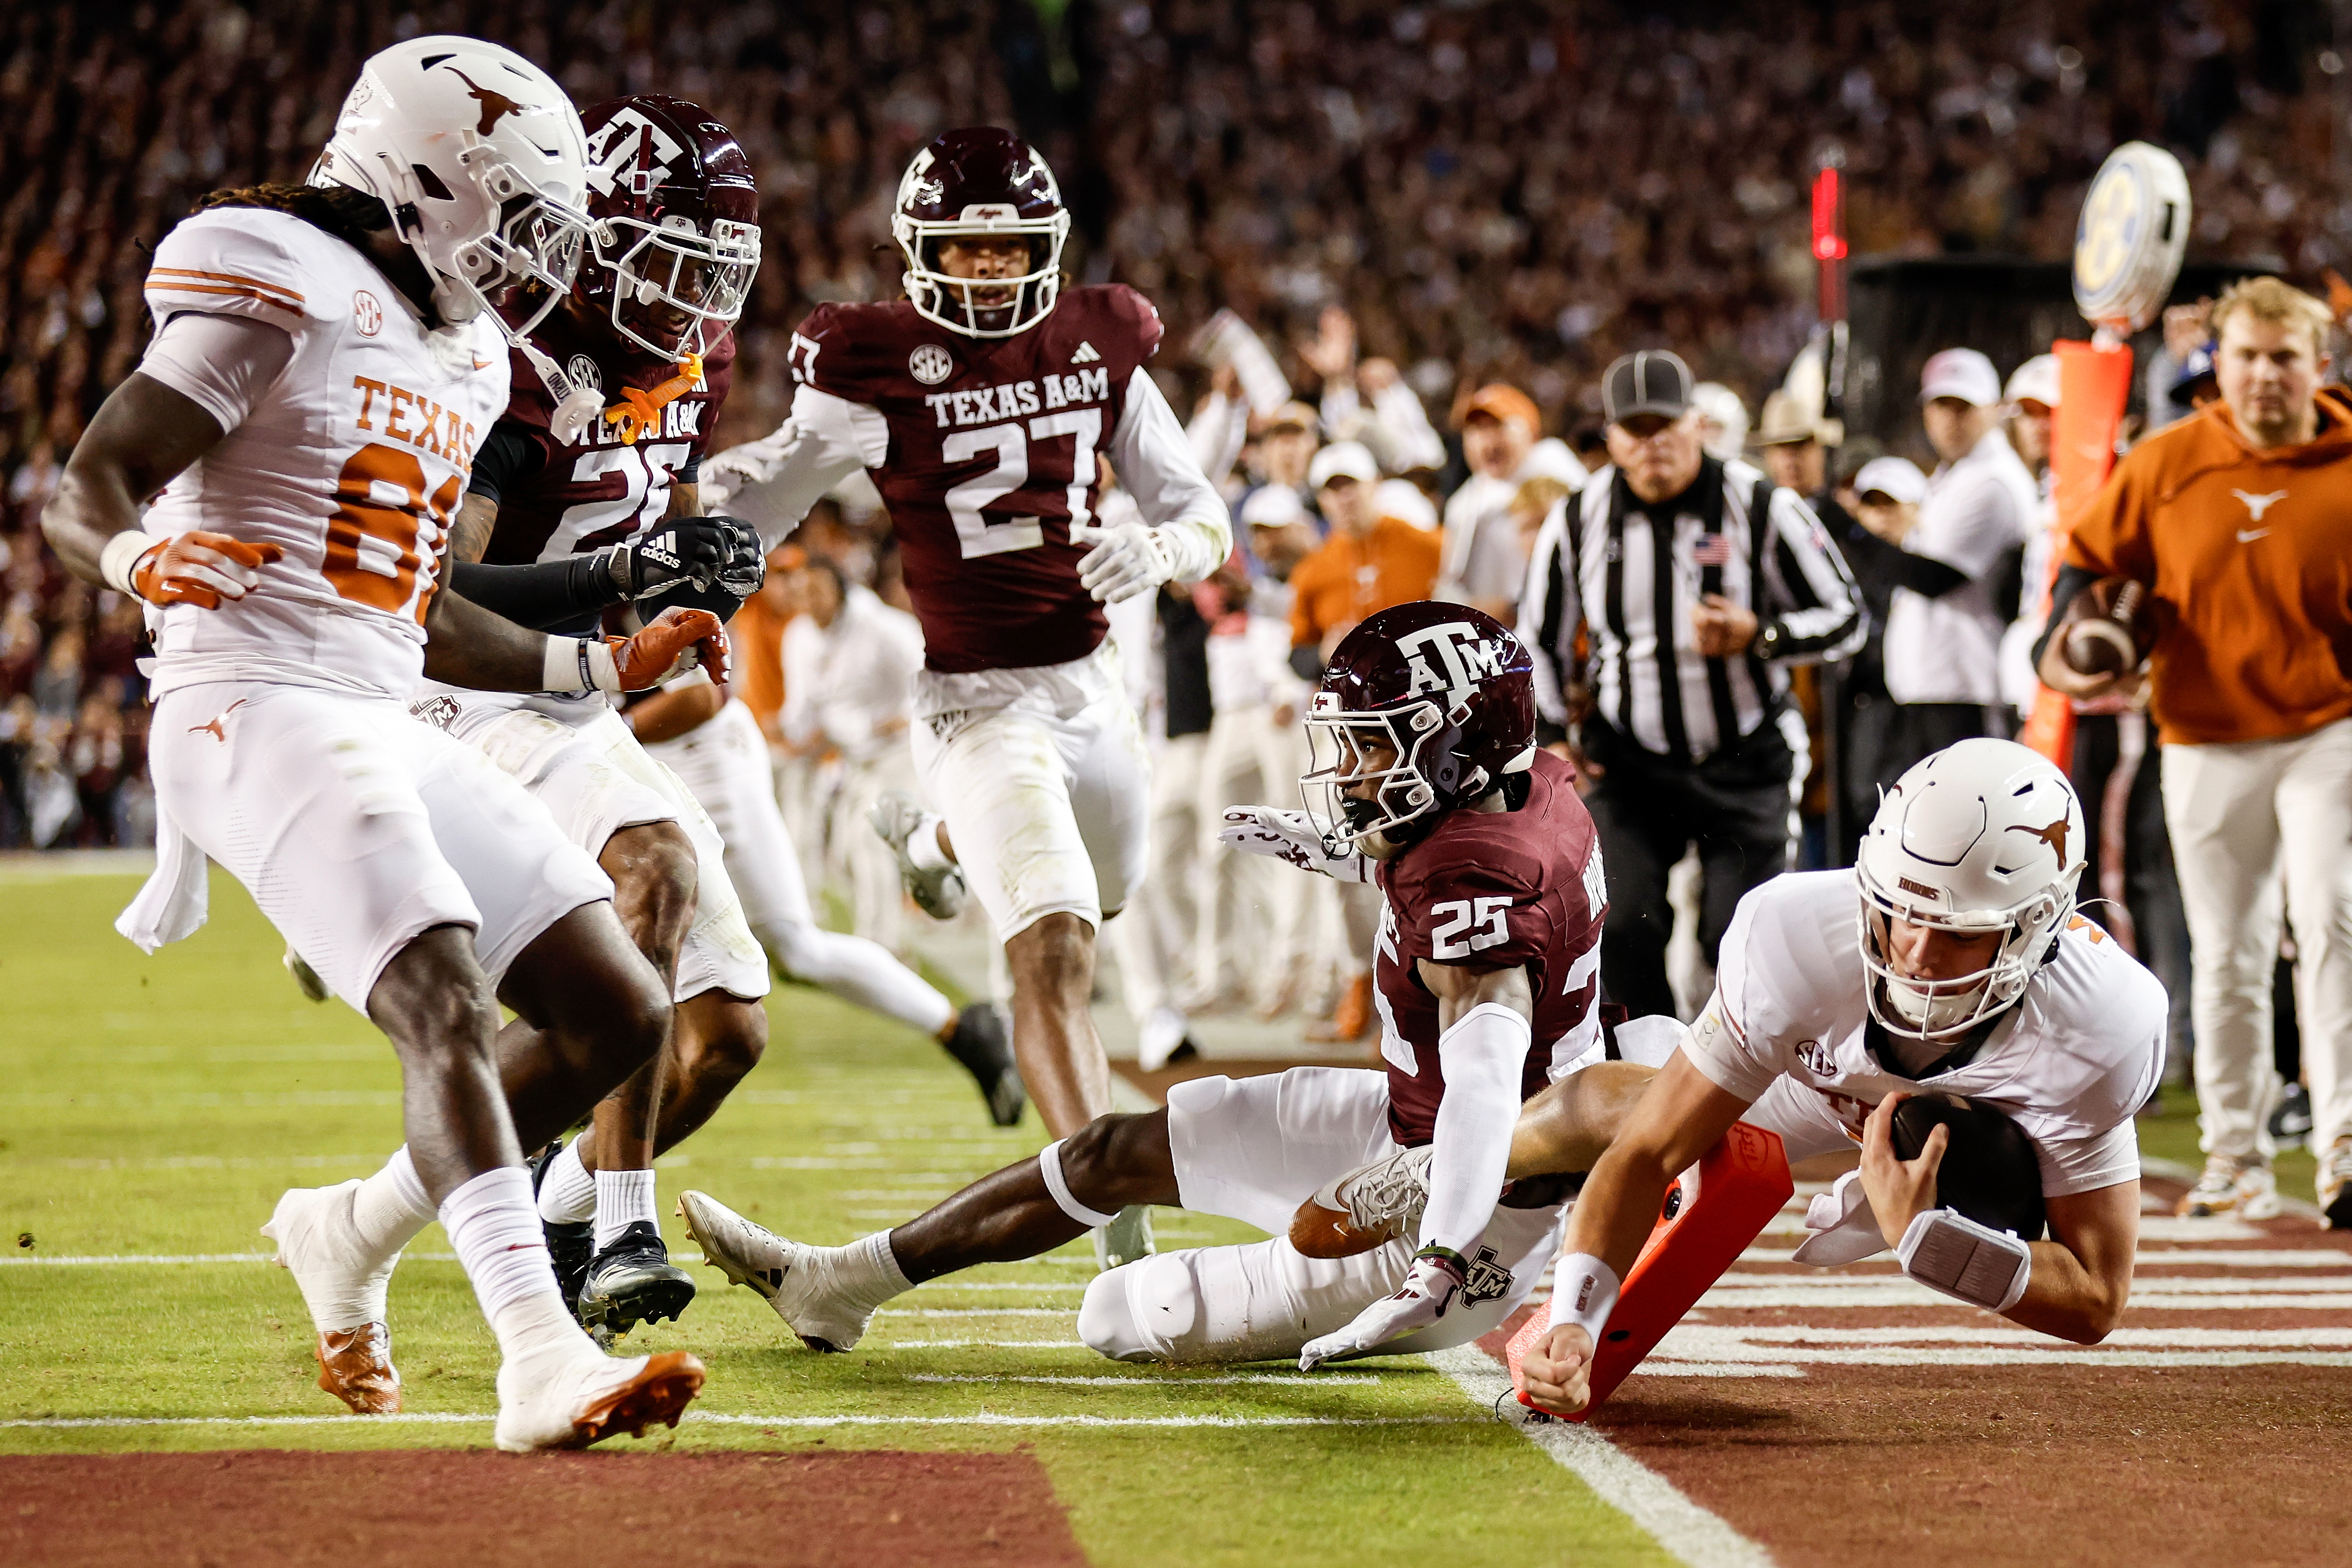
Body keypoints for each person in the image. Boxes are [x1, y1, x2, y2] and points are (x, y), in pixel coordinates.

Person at [39, 37, 713, 1447]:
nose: (536, 260)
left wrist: (599, 661)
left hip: (367, 700)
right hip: (245, 699)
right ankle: (539, 1357)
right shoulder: (277, 269)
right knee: (442, 995)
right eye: (520, 218)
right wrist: (131, 565)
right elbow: (91, 477)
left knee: (617, 1011)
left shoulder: (466, 352)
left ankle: (346, 1229)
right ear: (430, 180)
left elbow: (420, 615)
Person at [674, 604, 1602, 1369]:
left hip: (1467, 1210)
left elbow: (1485, 1072)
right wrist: (1336, 854)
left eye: (1374, 748)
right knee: (1111, 1148)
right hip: (1409, 1133)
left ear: (1452, 747)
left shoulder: (1473, 889)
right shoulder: (1534, 789)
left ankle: (1424, 1297)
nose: (1351, 772)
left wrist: (1434, 1264)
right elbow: (1458, 879)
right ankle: (835, 1285)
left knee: (1117, 1315)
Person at [698, 128, 1232, 1269]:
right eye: (966, 248)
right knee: (1051, 945)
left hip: (1093, 692)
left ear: (1044, 247)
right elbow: (774, 499)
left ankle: (933, 838)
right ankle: (1117, 1223)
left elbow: (1202, 510)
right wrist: (694, 530)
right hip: (976, 704)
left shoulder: (1103, 337)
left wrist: (1165, 547)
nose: (988, 269)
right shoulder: (873, 362)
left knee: (1111, 895)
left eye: (1007, 248)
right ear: (920, 251)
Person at [1331, 740, 2163, 1417]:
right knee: (1617, 1109)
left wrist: (1939, 1244)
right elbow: (1653, 1150)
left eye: (1952, 930)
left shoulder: (2103, 1027)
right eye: (1897, 908)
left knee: (1977, 1157)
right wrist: (1575, 1320)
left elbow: (2096, 1294)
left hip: (1954, 1131)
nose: (1909, 949)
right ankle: (1452, 1164)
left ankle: (1933, 1177)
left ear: (2034, 926)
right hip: (1814, 1080)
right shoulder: (1800, 929)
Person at [370, 93, 773, 1345]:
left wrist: (696, 574)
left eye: (717, 271)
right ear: (595, 230)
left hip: (576, 690)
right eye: (674, 259)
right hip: (464, 689)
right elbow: (433, 596)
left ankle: (537, 1201)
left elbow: (669, 520)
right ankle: (622, 1231)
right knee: (647, 870)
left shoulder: (687, 360)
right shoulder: (513, 359)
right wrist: (619, 588)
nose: (694, 297)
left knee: (726, 1039)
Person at [2037, 276, 2352, 1227]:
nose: (2262, 376)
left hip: (2327, 727)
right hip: (2204, 733)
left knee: (2331, 920)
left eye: (2282, 357)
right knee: (2226, 951)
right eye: (2246, 356)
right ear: (2220, 365)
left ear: (2318, 366)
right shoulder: (2169, 459)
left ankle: (2341, 1149)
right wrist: (2070, 631)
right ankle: (2233, 1160)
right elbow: (2084, 567)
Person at [1519, 349, 1862, 1021]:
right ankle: (1648, 1074)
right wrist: (1557, 734)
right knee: (1617, 924)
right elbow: (1538, 639)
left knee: (1739, 938)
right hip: (1630, 758)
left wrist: (1760, 635)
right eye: (1635, 430)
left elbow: (1846, 615)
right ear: (1612, 439)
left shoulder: (1760, 503)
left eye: (1665, 427)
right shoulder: (1578, 517)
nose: (1652, 446)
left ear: (1696, 425)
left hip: (1744, 755)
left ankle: (1738, 1088)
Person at [1287, 440, 1443, 1043]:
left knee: (1428, 856)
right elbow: (1295, 646)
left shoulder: (1424, 544)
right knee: (1353, 859)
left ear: (1374, 484)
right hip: (1352, 734)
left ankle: (1424, 986)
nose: (1342, 497)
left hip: (1425, 728)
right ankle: (1363, 979)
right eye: (1331, 488)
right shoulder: (1316, 565)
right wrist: (1317, 654)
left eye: (1350, 484)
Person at [1877, 349, 2035, 780]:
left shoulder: (1993, 480)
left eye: (1963, 406)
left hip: (1968, 684)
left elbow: (1934, 577)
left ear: (1993, 411)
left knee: (1971, 827)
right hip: (1937, 685)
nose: (1950, 419)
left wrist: (1855, 538)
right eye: (1940, 405)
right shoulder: (1953, 475)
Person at [1437, 383, 1583, 623]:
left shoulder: (1555, 467)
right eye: (1476, 430)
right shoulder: (1464, 504)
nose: (1488, 440)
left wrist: (1514, 607)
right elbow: (1453, 583)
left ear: (1530, 432)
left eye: (1498, 426)